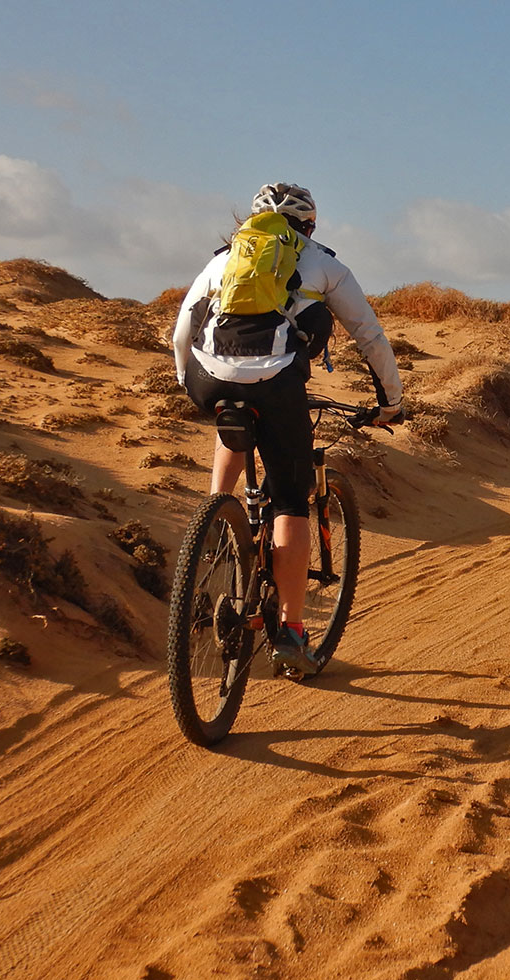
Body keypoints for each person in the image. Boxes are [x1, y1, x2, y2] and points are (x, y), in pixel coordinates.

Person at [171, 182, 405, 673]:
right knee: (292, 503)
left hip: (208, 378)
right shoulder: (324, 263)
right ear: (310, 226)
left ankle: (219, 514)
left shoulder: (225, 258)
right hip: (278, 384)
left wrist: (192, 383)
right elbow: (370, 334)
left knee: (232, 413)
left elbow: (181, 330)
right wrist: (391, 401)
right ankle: (293, 635)